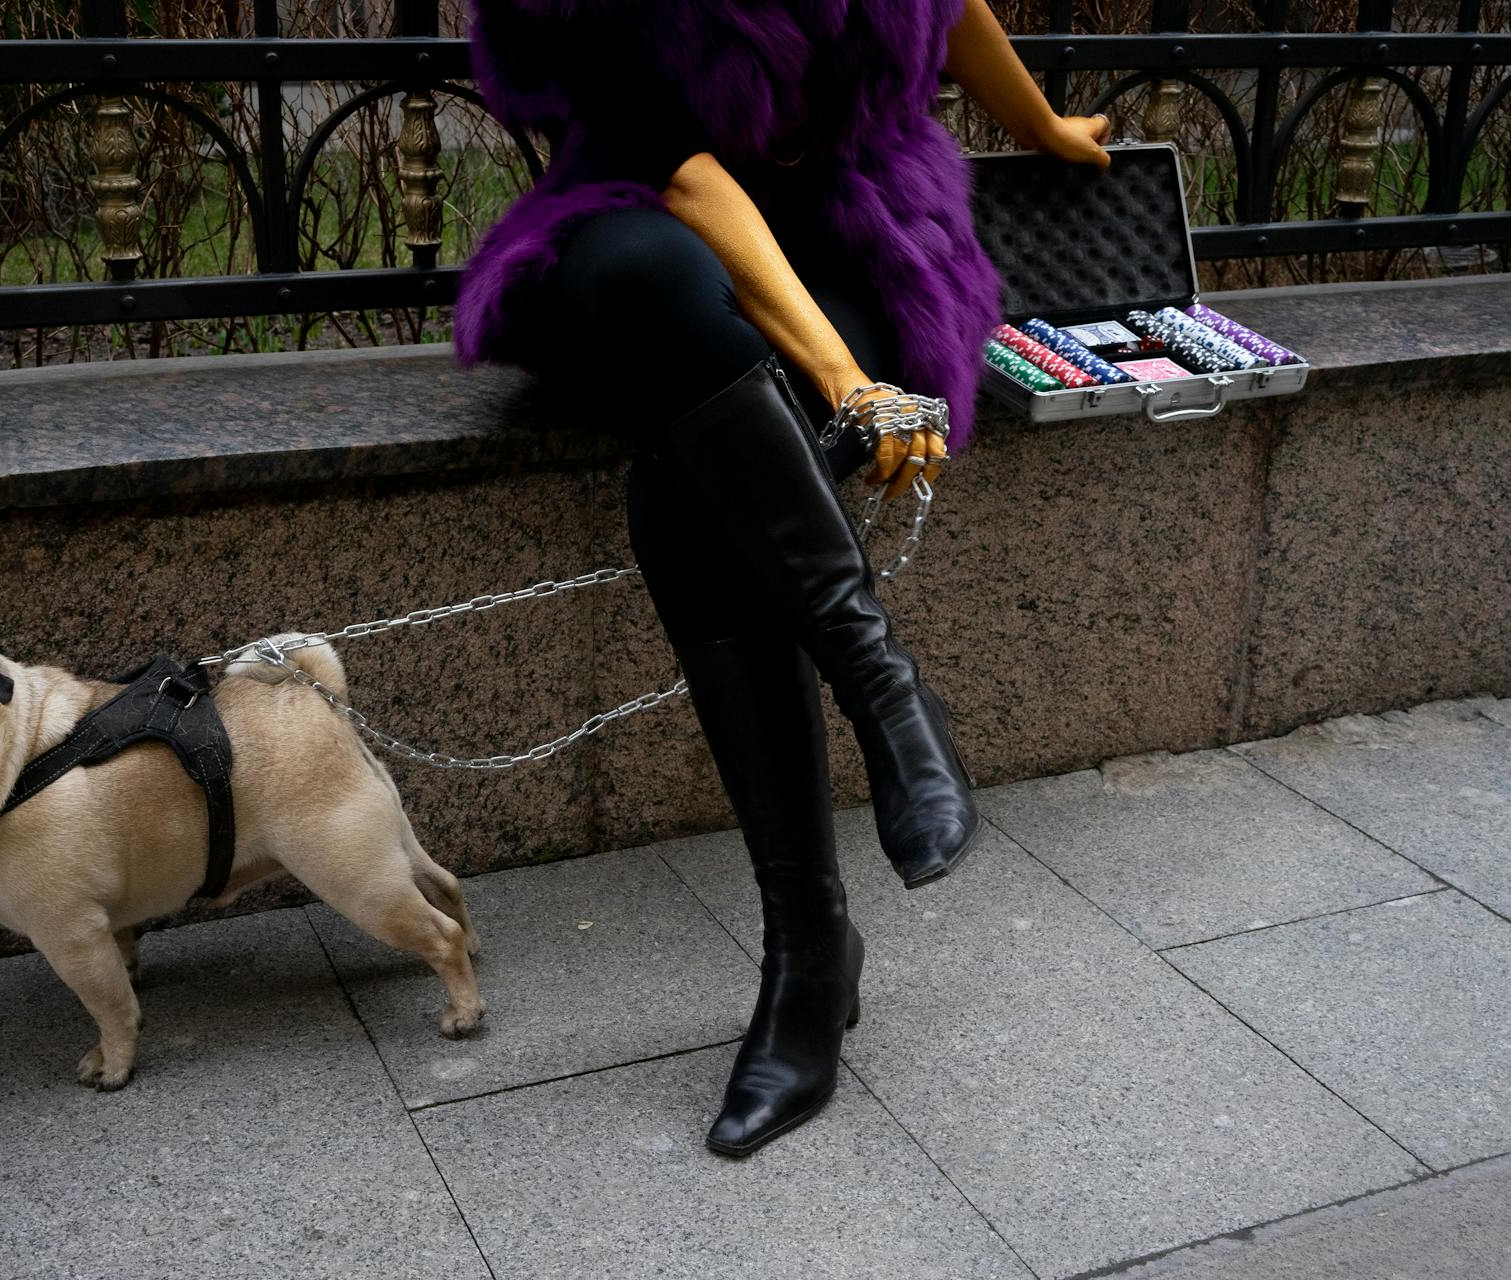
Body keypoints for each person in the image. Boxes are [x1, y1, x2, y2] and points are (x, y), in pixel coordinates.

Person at [454, 0, 1112, 1156]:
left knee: (690, 487)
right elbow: (678, 161)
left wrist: (1046, 125)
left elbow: (945, 8)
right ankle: (884, 685)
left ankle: (811, 954)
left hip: (855, 226)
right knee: (654, 289)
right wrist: (847, 381)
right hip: (653, 202)